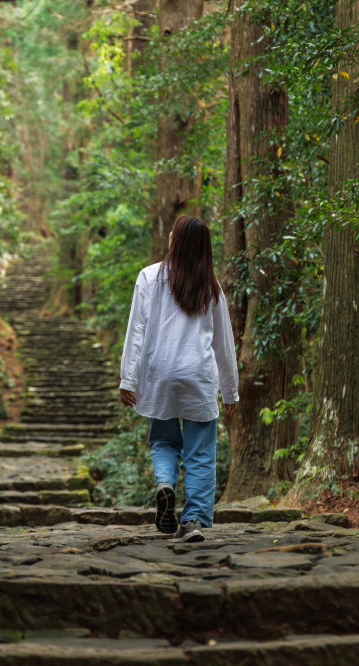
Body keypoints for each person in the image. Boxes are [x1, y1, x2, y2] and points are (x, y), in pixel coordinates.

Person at [119, 214, 239, 543]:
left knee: (164, 440)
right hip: (197, 376)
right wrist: (231, 392)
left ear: (177, 240)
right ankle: (194, 521)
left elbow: (136, 331)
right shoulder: (211, 287)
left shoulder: (149, 276)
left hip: (159, 374)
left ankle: (166, 483)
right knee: (200, 452)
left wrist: (128, 379)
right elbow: (223, 344)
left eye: (173, 231)